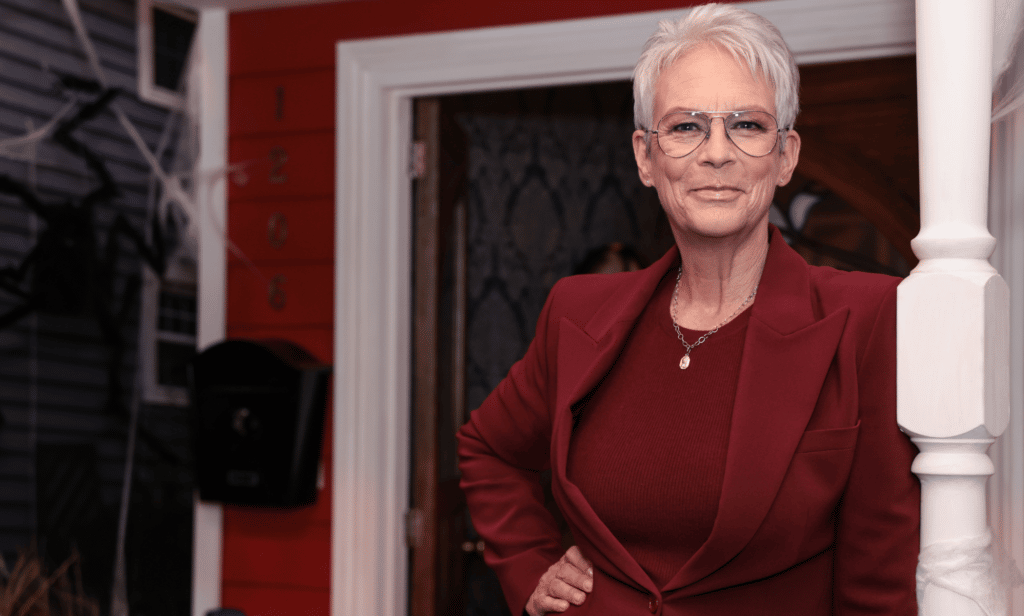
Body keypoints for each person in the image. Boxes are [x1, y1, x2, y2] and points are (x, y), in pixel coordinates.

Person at [456, 4, 920, 615]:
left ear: (785, 155)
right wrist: (531, 571)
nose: (717, 153)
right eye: (686, 127)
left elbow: (878, 580)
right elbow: (487, 450)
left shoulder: (867, 318)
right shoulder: (577, 312)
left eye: (748, 125)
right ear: (646, 158)